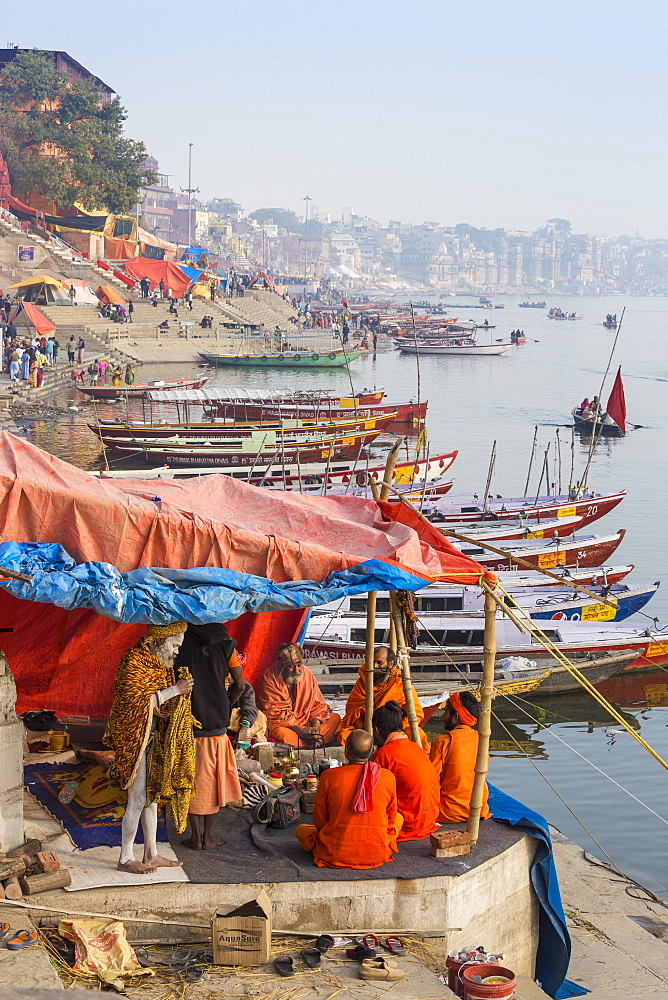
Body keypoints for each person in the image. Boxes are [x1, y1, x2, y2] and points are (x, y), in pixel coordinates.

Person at [104, 622, 196, 873]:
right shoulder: (134, 661)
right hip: (134, 739)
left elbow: (160, 705)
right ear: (159, 641)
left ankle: (151, 853)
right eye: (175, 645)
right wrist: (175, 690)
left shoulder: (160, 665)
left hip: (152, 739)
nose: (177, 651)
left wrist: (178, 692)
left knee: (151, 799)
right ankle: (125, 858)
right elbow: (134, 704)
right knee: (137, 799)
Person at [175, 624, 244, 851]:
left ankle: (195, 837)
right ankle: (208, 837)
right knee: (213, 782)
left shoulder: (179, 640)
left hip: (188, 721)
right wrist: (226, 703)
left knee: (191, 781)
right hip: (216, 725)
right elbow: (240, 686)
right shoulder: (226, 644)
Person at [295, 729, 398, 869]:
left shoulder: (329, 776)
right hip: (376, 853)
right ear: (372, 751)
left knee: (300, 830)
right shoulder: (387, 777)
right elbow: (391, 819)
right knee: (399, 818)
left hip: (335, 852)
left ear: (346, 752)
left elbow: (319, 820)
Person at [372, 701, 440, 841]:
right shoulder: (415, 747)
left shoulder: (383, 754)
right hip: (429, 820)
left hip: (409, 824)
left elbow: (373, 794)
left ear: (376, 730)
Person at [339, 646, 428, 748]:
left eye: (379, 663)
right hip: (367, 729)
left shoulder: (400, 682)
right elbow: (351, 711)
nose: (374, 666)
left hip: (394, 731)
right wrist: (365, 720)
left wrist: (396, 727)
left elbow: (416, 714)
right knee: (344, 736)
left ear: (390, 664)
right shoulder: (363, 681)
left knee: (418, 736)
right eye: (372, 662)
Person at [257, 642, 341, 747]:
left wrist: (316, 727)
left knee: (335, 719)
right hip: (288, 727)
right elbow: (276, 715)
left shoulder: (306, 673)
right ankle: (314, 741)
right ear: (281, 666)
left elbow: (318, 705)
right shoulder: (269, 679)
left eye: (299, 665)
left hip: (308, 725)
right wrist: (301, 731)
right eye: (291, 666)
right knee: (281, 735)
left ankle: (311, 739)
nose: (297, 670)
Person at [429, 691, 490, 825]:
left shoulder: (442, 742)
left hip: (449, 813)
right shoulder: (481, 739)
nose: (443, 716)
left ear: (455, 716)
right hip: (479, 810)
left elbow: (430, 782)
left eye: (446, 711)